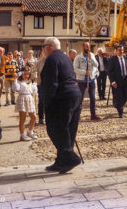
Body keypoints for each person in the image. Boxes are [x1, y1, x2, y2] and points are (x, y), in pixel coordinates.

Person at [40, 37, 82, 174]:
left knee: (55, 129)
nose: (42, 50)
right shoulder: (65, 58)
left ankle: (70, 157)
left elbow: (51, 83)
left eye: (43, 47)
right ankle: (61, 161)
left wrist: (46, 103)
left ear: (48, 47)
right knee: (69, 130)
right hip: (74, 95)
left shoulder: (51, 59)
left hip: (62, 97)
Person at [74, 42, 101, 121]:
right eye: (86, 46)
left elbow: (96, 65)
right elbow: (75, 69)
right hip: (82, 80)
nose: (88, 48)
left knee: (93, 98)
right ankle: (77, 115)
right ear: (83, 47)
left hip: (91, 80)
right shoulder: (78, 57)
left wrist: (91, 59)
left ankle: (93, 115)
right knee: (80, 98)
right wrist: (84, 72)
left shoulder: (92, 55)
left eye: (88, 46)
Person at [13, 62, 38, 141]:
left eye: (27, 74)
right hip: (22, 98)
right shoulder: (19, 81)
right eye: (24, 74)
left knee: (34, 117)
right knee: (22, 119)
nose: (26, 76)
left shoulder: (30, 81)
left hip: (29, 98)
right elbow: (16, 89)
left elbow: (33, 90)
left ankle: (30, 131)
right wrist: (15, 79)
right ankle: (22, 135)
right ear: (21, 74)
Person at [109, 45, 127, 118]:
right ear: (116, 51)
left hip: (126, 79)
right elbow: (110, 71)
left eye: (122, 50)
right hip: (117, 81)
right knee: (119, 96)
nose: (121, 51)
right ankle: (120, 111)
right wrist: (112, 81)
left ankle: (118, 105)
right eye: (119, 50)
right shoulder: (112, 59)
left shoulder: (126, 58)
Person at [36, 50, 46, 124]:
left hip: (50, 84)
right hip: (41, 83)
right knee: (41, 101)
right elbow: (34, 71)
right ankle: (41, 117)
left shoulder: (50, 61)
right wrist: (35, 76)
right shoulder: (38, 62)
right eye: (43, 54)